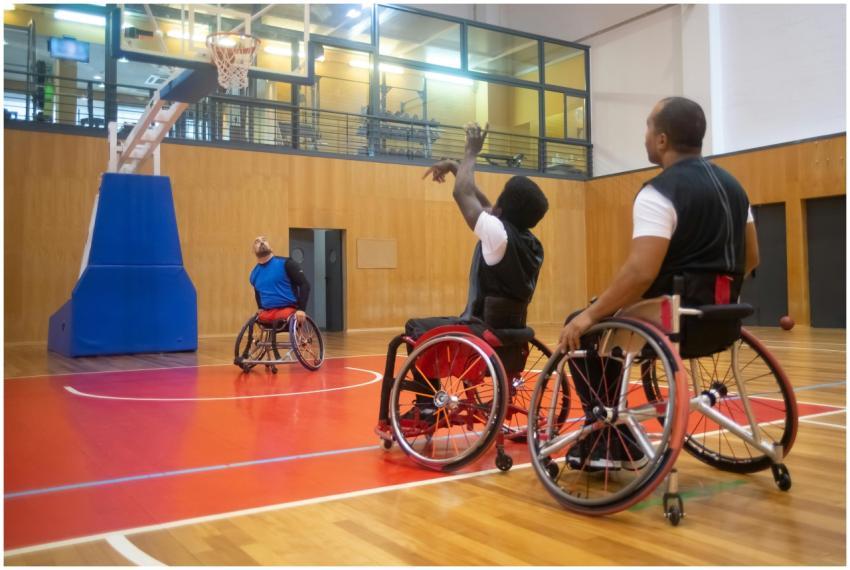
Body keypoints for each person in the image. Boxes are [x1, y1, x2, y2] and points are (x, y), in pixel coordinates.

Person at [558, 96, 759, 470]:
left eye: (648, 129)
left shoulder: (658, 191)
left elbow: (640, 273)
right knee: (603, 310)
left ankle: (609, 439)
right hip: (722, 321)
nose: (646, 137)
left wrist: (588, 315)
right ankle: (613, 437)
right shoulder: (736, 188)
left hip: (673, 322)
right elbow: (752, 259)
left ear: (662, 139)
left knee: (585, 325)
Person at [374, 122, 550, 435]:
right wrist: (457, 167)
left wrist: (471, 152)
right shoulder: (529, 242)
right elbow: (486, 206)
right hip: (511, 328)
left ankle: (427, 405)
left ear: (504, 206)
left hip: (481, 327)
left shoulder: (498, 235)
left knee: (414, 327)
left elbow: (463, 195)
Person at [249, 236, 311, 326]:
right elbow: (257, 291)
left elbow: (305, 285)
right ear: (253, 251)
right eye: (257, 241)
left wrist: (301, 309)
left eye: (264, 240)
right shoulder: (254, 274)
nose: (261, 242)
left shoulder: (287, 264)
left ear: (271, 248)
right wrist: (260, 307)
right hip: (268, 311)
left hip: (288, 309)